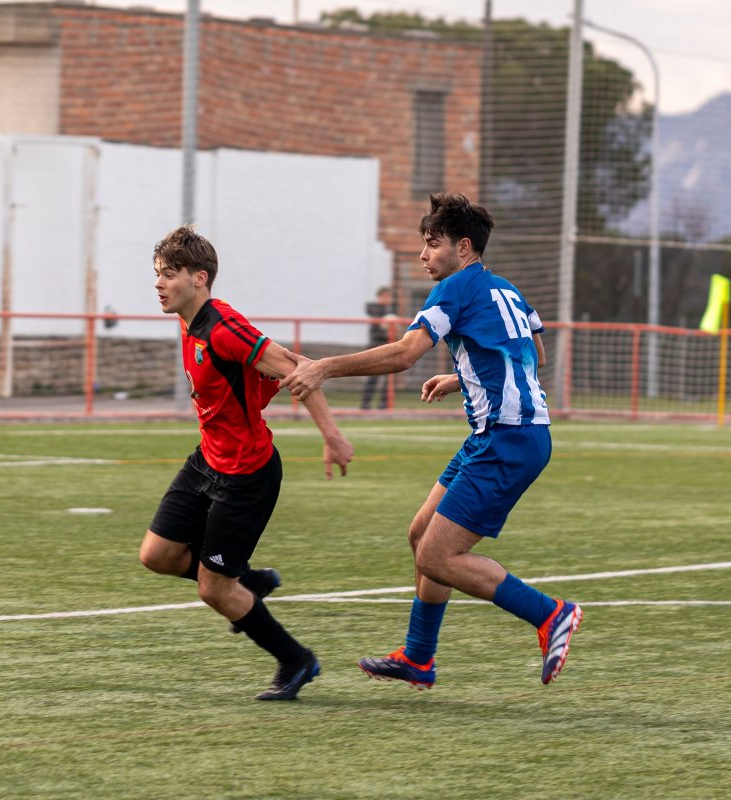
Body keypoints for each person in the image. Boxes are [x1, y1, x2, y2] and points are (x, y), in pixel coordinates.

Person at [281, 193, 582, 688]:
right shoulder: (507, 291)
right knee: (421, 535)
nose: (424, 255)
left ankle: (552, 615)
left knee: (437, 557)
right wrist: (463, 378)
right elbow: (535, 355)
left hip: (508, 440)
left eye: (431, 244)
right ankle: (418, 658)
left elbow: (404, 354)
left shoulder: (454, 289)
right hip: (504, 435)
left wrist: (324, 367)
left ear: (463, 248)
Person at [139, 225, 355, 701]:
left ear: (200, 278)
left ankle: (296, 660)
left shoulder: (224, 328)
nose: (157, 284)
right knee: (157, 556)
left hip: (245, 475)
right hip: (208, 460)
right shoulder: (187, 318)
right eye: (156, 274)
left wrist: (332, 437)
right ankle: (251, 581)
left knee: (214, 590)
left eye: (168, 274)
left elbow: (300, 368)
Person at [360, 286, 396, 410]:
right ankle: (365, 404)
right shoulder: (375, 308)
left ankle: (384, 404)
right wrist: (386, 317)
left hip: (388, 347)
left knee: (389, 378)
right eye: (384, 296)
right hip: (375, 346)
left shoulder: (392, 310)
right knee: (373, 377)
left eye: (389, 296)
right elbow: (370, 309)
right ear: (379, 297)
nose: (387, 299)